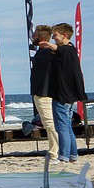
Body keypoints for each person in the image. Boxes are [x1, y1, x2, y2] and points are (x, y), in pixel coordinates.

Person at [45, 22, 87, 163]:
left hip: (63, 96)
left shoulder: (67, 50)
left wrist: (51, 46)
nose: (53, 38)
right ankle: (73, 155)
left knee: (62, 127)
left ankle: (63, 156)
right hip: (67, 96)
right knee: (67, 127)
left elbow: (60, 50)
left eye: (55, 35)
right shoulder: (69, 51)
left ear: (64, 35)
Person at [27, 26, 59, 162]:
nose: (32, 37)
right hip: (40, 92)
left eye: (34, 35)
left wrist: (52, 46)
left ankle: (55, 152)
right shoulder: (41, 52)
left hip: (44, 93)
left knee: (50, 124)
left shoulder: (48, 52)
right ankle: (56, 150)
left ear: (41, 38)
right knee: (49, 123)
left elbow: (66, 50)